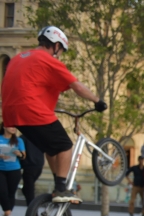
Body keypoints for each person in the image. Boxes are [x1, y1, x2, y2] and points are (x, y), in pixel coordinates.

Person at [0, 26, 107, 203]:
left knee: (51, 147)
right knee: (65, 145)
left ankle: (59, 181)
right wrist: (97, 101)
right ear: (56, 45)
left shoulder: (19, 57)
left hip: (11, 113)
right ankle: (61, 188)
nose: (61, 54)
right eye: (62, 50)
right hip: (30, 109)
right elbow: (77, 86)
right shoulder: (48, 60)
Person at [0, 123, 25, 216]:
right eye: (11, 126)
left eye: (15, 127)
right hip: (1, 169)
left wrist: (19, 154)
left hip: (14, 169)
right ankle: (8, 215)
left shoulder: (19, 140)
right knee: (2, 192)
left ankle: (6, 215)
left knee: (11, 193)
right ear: (4, 127)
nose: (13, 128)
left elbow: (24, 156)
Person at [18, 134, 44, 205]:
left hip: (29, 166)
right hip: (39, 165)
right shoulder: (40, 137)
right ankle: (32, 209)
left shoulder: (22, 138)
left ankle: (33, 211)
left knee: (29, 189)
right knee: (28, 188)